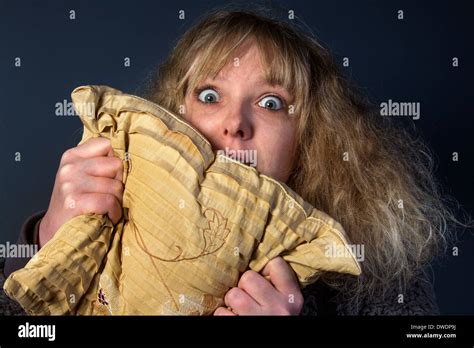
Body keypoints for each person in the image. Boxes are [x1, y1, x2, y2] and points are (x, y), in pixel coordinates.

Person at [2, 8, 454, 315]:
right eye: (210, 95)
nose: (235, 124)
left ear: (308, 138)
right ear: (174, 115)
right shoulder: (110, 208)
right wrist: (47, 241)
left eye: (271, 103)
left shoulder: (379, 281)